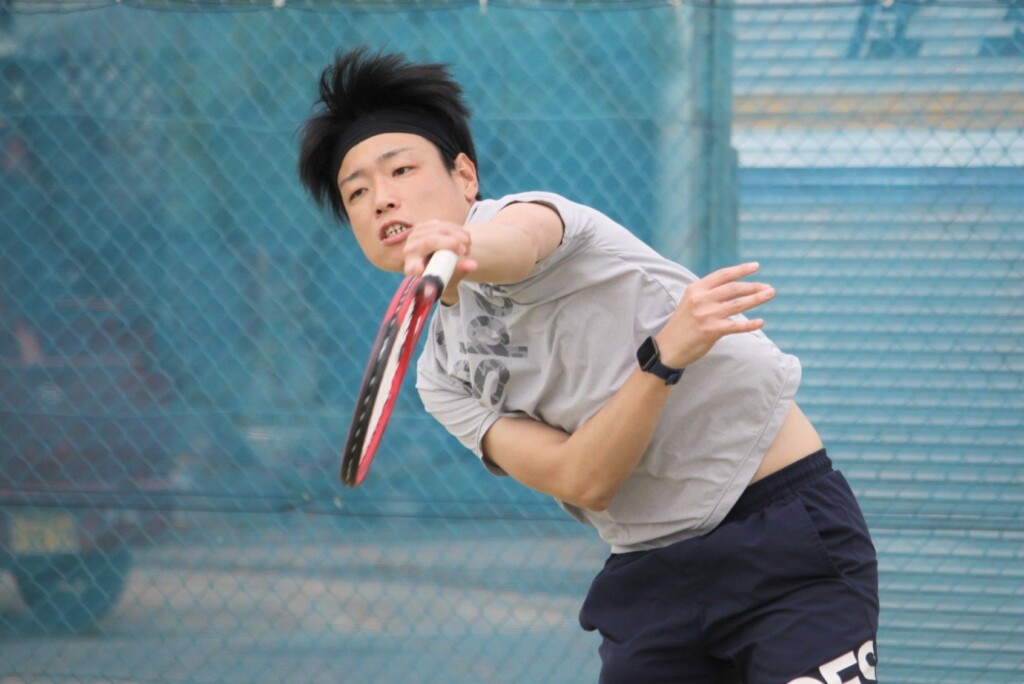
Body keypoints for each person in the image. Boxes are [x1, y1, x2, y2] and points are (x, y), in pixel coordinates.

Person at [297, 47, 880, 684]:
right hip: (652, 575)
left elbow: (517, 243)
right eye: (357, 192)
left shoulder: (536, 219)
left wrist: (461, 244)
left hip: (784, 535)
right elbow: (583, 479)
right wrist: (663, 359)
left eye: (401, 170)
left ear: (465, 175)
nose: (381, 199)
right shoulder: (440, 377)